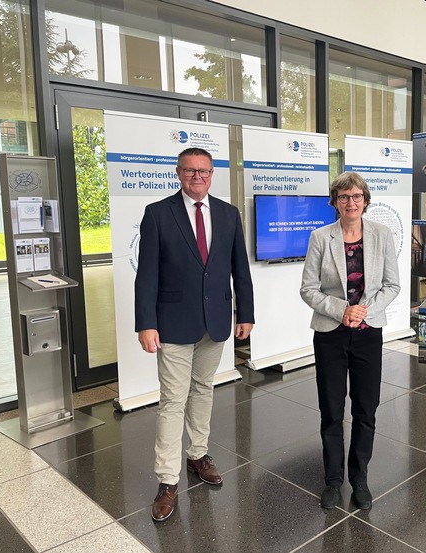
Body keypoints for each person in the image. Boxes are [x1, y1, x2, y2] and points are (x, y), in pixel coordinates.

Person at [135, 147, 254, 522]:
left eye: (203, 171)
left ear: (212, 173)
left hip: (215, 321)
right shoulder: (157, 214)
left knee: (203, 390)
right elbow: (147, 275)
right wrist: (146, 322)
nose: (196, 177)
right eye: (189, 171)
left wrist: (246, 314)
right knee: (172, 400)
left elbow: (240, 268)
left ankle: (197, 454)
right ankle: (167, 481)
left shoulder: (227, 213)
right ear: (178, 173)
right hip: (172, 324)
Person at [300, 172, 400, 511]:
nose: (351, 202)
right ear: (335, 201)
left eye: (357, 196)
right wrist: (342, 310)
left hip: (368, 331)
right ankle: (332, 480)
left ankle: (359, 478)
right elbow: (308, 289)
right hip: (330, 333)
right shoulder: (319, 237)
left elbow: (392, 286)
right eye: (344, 197)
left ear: (366, 200)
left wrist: (362, 312)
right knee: (331, 410)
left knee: (365, 409)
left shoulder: (382, 235)